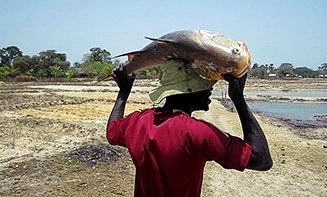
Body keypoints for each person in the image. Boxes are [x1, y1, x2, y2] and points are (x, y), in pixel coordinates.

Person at [106, 60, 273, 197]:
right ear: (188, 90)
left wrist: (123, 93)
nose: (210, 91)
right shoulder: (198, 132)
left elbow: (112, 132)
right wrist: (238, 99)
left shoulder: (138, 121)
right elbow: (261, 160)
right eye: (204, 86)